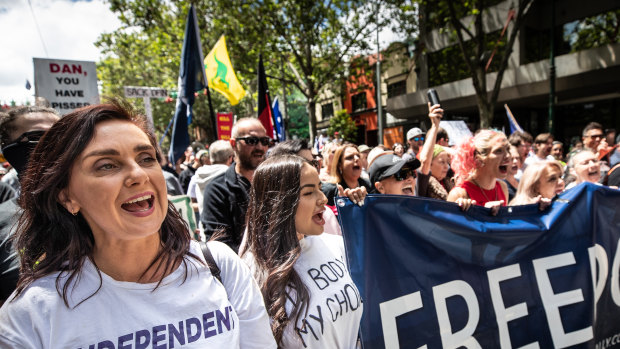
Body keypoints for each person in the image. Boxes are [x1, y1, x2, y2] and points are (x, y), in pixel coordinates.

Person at [0, 102, 276, 348]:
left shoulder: (220, 267)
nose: (137, 174)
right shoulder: (29, 318)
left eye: (146, 158)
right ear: (67, 195)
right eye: (106, 165)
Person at [240, 155, 362, 348]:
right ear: (278, 202)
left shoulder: (335, 245)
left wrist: (362, 214)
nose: (322, 199)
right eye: (308, 193)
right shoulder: (249, 272)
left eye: (320, 188)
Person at [0, 106, 60, 305]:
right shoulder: (3, 220)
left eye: (63, 134)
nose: (57, 144)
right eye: (38, 137)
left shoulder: (107, 210)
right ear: (8, 149)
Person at [201, 118, 269, 253]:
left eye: (264, 141)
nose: (260, 147)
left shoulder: (276, 183)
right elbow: (220, 248)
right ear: (233, 144)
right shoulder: (217, 190)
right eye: (251, 141)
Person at [447, 129, 510, 214]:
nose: (508, 156)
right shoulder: (459, 194)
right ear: (479, 159)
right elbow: (447, 226)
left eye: (508, 149)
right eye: (499, 151)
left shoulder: (503, 187)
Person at [189, 140, 234, 218]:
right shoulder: (233, 177)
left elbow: (189, 204)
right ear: (230, 158)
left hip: (204, 227)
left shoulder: (196, 177)